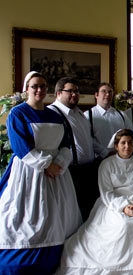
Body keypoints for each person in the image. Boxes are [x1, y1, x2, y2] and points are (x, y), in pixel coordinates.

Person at [0, 72, 82, 274]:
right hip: (29, 173)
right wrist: (47, 165)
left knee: (58, 217)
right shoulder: (18, 113)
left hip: (57, 175)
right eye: (35, 86)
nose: (39, 90)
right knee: (28, 216)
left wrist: (60, 164)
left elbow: (66, 145)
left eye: (43, 86)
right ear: (27, 88)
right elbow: (21, 147)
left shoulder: (55, 115)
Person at [55, 129, 133, 275]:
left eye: (130, 143)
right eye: (123, 143)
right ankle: (117, 262)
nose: (127, 146)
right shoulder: (106, 164)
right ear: (116, 145)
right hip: (112, 204)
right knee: (122, 224)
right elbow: (106, 192)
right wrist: (123, 207)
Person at [48, 77, 107, 221]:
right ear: (59, 93)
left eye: (77, 91)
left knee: (89, 210)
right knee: (72, 213)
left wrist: (105, 152)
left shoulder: (79, 114)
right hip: (70, 171)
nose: (74, 94)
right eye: (70, 91)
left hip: (89, 169)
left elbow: (88, 140)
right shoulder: (52, 113)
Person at [84, 83, 132, 155]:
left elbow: (131, 133)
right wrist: (105, 152)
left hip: (121, 157)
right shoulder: (88, 115)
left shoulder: (122, 114)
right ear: (96, 95)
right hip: (99, 159)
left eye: (110, 92)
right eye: (103, 91)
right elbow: (88, 139)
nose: (107, 94)